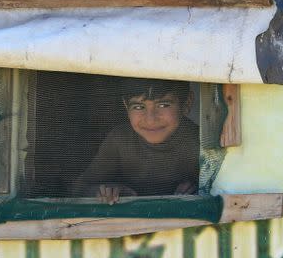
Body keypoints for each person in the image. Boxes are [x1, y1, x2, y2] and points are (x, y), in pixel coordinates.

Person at [71, 77, 199, 204]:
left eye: (163, 105)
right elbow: (79, 188)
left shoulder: (199, 141)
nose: (150, 120)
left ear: (186, 103)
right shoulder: (121, 139)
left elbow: (216, 190)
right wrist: (104, 191)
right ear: (126, 106)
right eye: (139, 107)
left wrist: (199, 189)